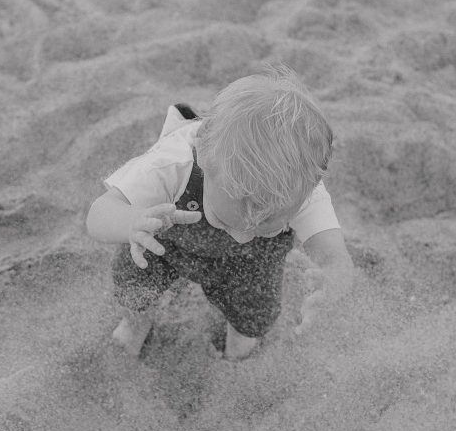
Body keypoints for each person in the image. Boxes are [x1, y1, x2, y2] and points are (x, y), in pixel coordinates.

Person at [86, 66, 354, 360]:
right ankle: (137, 321)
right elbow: (100, 212)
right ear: (203, 156)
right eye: (227, 221)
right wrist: (132, 223)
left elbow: (334, 258)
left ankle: (238, 345)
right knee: (134, 282)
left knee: (255, 312)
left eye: (265, 226)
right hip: (166, 240)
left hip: (252, 263)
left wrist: (332, 286)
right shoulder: (171, 165)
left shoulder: (298, 188)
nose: (241, 236)